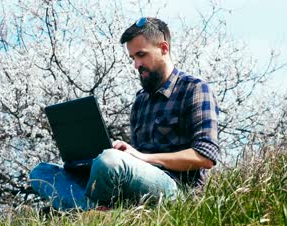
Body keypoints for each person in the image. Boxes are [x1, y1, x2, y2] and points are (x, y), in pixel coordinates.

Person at [30, 17, 219, 209]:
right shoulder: (141, 101)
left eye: (141, 55)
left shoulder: (195, 89)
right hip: (137, 181)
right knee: (42, 173)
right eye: (133, 58)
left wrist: (142, 158)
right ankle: (95, 211)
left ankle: (82, 208)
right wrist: (125, 152)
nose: (136, 65)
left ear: (164, 48)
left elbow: (204, 158)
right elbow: (135, 158)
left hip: (178, 189)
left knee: (109, 161)